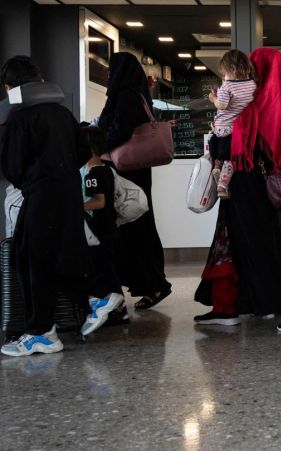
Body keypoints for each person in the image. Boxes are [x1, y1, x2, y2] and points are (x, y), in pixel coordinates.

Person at [195, 48, 281, 331]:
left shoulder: (258, 110)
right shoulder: (274, 105)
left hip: (250, 191)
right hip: (246, 191)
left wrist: (218, 134)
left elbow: (226, 146)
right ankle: (232, 306)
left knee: (265, 247)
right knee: (241, 246)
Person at [0, 56, 118, 356]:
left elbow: (12, 166)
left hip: (41, 195)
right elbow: (82, 151)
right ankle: (95, 297)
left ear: (9, 87)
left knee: (31, 259)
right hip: (66, 192)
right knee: (58, 254)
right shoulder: (62, 113)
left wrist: (33, 179)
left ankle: (42, 331)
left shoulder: (19, 118)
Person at [98, 52, 171, 310]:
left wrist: (97, 145)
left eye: (111, 70)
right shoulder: (135, 94)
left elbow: (120, 130)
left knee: (135, 228)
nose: (108, 75)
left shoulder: (126, 96)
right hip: (134, 170)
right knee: (136, 227)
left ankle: (154, 284)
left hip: (127, 172)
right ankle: (149, 284)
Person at [80, 125, 127, 333]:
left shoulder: (92, 173)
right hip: (109, 228)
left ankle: (118, 309)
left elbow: (99, 202)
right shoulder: (107, 168)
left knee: (104, 270)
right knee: (108, 268)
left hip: (98, 231)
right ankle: (118, 308)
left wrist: (76, 206)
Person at [208, 49, 257, 199]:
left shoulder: (227, 86)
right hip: (237, 129)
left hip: (222, 127)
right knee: (230, 155)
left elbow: (222, 105)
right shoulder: (252, 85)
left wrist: (213, 99)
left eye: (224, 72)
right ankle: (218, 168)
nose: (224, 76)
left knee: (227, 157)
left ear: (232, 69)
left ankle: (222, 183)